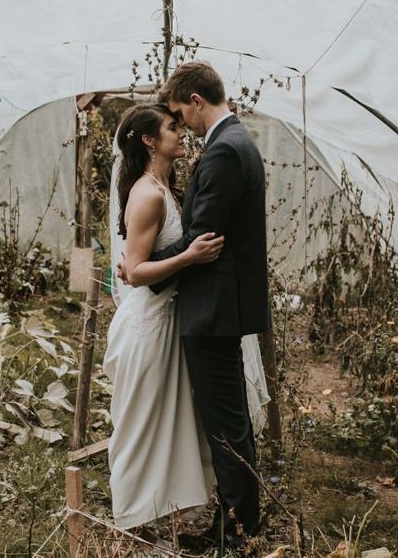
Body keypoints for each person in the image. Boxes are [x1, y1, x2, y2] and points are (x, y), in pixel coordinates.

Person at [119, 62, 270, 552]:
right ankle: (233, 524)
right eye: (173, 123)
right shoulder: (236, 143)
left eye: (182, 113)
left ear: (197, 101)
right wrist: (138, 267)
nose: (183, 124)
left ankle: (236, 534)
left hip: (211, 310)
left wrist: (137, 270)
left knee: (225, 427)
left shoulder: (225, 151)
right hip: (213, 307)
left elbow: (201, 235)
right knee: (229, 423)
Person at [102, 102, 223, 530]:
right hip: (149, 326)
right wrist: (189, 257)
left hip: (168, 320)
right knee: (142, 423)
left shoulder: (164, 185)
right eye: (172, 127)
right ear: (151, 140)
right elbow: (134, 271)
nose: (181, 132)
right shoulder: (149, 194)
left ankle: (158, 513)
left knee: (166, 423)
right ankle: (132, 515)